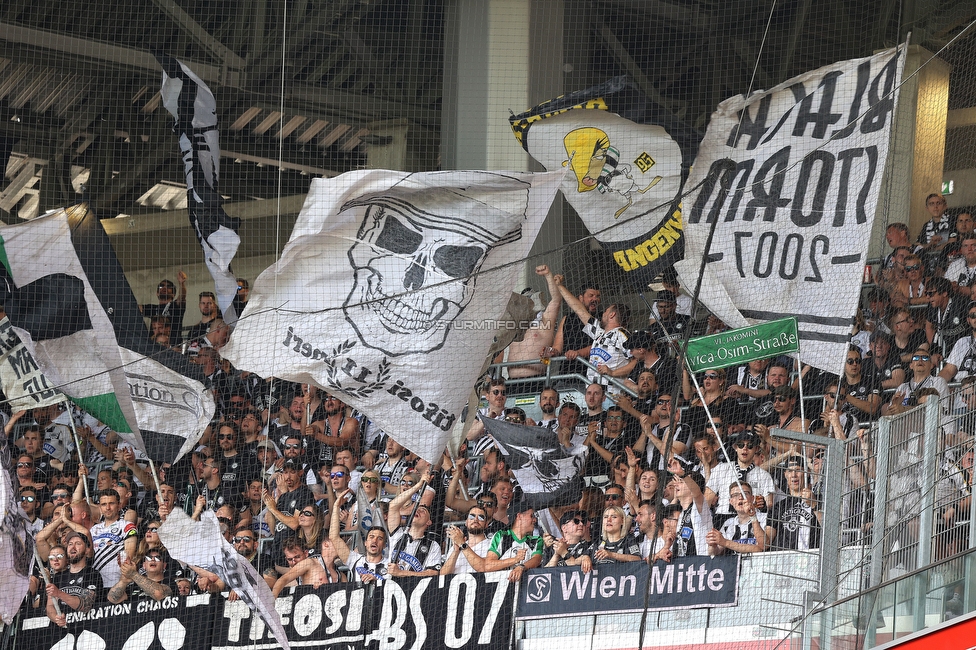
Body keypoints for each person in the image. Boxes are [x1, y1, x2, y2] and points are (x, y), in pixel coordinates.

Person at [555, 274, 635, 387]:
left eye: (606, 311)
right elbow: (578, 309)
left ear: (612, 315)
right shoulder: (599, 333)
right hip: (593, 389)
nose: (603, 313)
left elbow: (637, 361)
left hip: (612, 392)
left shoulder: (623, 335)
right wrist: (560, 286)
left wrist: (613, 373)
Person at [704, 431, 775, 522]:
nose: (745, 449)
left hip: (751, 519)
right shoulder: (721, 468)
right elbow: (707, 499)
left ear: (756, 449)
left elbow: (770, 504)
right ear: (735, 447)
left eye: (750, 446)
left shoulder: (764, 475)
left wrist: (762, 505)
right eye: (741, 445)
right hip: (723, 517)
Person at [386, 474, 442, 577]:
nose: (419, 511)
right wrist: (418, 485)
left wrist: (402, 573)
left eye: (423, 511)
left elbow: (433, 573)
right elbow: (393, 506)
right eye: (417, 509)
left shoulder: (433, 545)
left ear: (428, 522)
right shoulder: (397, 534)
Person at [46, 531, 102, 627]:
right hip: (61, 632)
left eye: (78, 544)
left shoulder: (92, 574)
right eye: (70, 544)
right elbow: (50, 606)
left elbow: (86, 605)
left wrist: (59, 593)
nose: (72, 547)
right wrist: (56, 618)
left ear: (87, 550)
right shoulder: (58, 577)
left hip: (86, 629)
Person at [330, 490, 388, 583]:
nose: (375, 541)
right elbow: (334, 537)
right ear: (365, 542)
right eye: (371, 537)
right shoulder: (354, 560)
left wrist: (377, 580)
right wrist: (336, 507)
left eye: (380, 538)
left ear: (385, 545)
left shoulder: (389, 565)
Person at [766, 456, 822, 550]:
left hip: (813, 556)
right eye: (790, 471)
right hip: (784, 559)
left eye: (798, 470)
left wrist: (814, 504)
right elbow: (766, 542)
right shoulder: (779, 506)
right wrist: (753, 517)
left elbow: (829, 529)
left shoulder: (819, 498)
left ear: (807, 473)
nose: (794, 475)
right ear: (785, 474)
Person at [552, 282, 601, 380]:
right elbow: (557, 347)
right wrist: (550, 352)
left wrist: (578, 353)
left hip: (590, 375)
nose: (595, 299)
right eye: (591, 295)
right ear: (581, 298)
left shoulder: (602, 319)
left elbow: (601, 344)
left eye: (598, 296)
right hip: (567, 373)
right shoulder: (567, 319)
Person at [484, 502, 544, 582]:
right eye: (531, 516)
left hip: (527, 589)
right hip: (503, 588)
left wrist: (521, 567)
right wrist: (515, 560)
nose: (535, 520)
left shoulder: (536, 540)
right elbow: (488, 565)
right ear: (519, 516)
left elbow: (537, 559)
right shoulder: (501, 536)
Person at [90, 488, 138, 587]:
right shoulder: (93, 529)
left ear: (119, 506)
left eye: (111, 503)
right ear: (100, 508)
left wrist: (122, 582)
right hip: (95, 583)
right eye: (103, 504)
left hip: (117, 583)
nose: (107, 508)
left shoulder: (127, 526)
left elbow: (129, 554)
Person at [667, 455, 713, 557]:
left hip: (700, 565)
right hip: (685, 567)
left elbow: (697, 494)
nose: (676, 485)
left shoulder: (699, 509)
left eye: (681, 482)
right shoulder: (682, 514)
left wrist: (682, 473)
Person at [883, 348, 949, 416]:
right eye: (916, 358)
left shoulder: (938, 382)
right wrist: (894, 407)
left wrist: (904, 410)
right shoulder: (902, 387)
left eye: (925, 358)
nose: (920, 360)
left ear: (931, 365)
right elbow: (887, 417)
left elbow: (942, 410)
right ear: (911, 365)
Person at [706, 482, 766, 555]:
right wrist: (712, 545)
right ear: (730, 501)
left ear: (752, 498)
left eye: (745, 493)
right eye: (735, 495)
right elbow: (714, 553)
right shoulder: (728, 524)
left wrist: (725, 542)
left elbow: (761, 547)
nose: (740, 497)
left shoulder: (764, 518)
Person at [272, 537, 344, 595]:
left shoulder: (308, 562)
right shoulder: (295, 578)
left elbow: (283, 580)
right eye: (290, 559)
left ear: (306, 553)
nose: (294, 562)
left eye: (297, 557)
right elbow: (283, 581)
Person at [925, 276, 969, 360]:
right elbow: (928, 327)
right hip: (944, 348)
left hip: (963, 349)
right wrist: (935, 349)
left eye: (931, 293)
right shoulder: (931, 307)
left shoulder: (961, 304)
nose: (927, 297)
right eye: (926, 293)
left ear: (944, 293)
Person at [441, 506, 492, 574]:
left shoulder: (492, 544)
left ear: (486, 524)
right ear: (466, 522)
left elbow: (483, 567)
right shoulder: (455, 547)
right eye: (472, 516)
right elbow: (442, 575)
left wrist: (462, 544)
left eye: (481, 517)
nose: (475, 520)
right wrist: (456, 552)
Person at [107, 551, 173, 603]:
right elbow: (112, 599)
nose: (153, 560)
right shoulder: (134, 585)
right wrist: (124, 581)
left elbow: (159, 594)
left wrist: (133, 574)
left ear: (164, 565)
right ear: (144, 565)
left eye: (158, 558)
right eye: (149, 558)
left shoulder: (169, 581)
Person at [140, 273, 187, 344]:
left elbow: (182, 296)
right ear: (157, 293)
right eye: (161, 286)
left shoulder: (175, 306)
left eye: (168, 287)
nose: (164, 288)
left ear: (173, 294)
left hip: (172, 345)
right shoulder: (153, 308)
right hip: (154, 346)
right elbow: (133, 307)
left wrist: (181, 283)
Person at [840, 347, 881, 422]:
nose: (855, 364)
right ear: (842, 363)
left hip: (867, 427)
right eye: (850, 361)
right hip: (844, 428)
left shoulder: (872, 381)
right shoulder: (839, 385)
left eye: (857, 361)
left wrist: (846, 396)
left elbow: (873, 408)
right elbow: (829, 409)